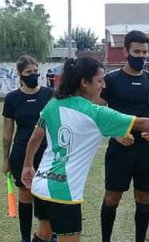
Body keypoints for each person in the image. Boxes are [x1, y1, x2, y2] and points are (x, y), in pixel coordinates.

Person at [20, 56, 149, 242]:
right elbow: (143, 123)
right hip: (64, 191)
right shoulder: (96, 113)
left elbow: (35, 137)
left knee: (43, 235)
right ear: (84, 82)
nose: (103, 86)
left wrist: (28, 165)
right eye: (99, 81)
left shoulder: (53, 103)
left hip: (42, 183)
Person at [97, 30, 149, 242]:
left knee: (143, 198)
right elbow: (97, 115)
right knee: (112, 198)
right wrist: (115, 133)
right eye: (136, 51)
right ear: (125, 51)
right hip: (120, 149)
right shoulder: (111, 80)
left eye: (144, 52)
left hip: (147, 150)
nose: (141, 56)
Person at [2, 55, 54, 242]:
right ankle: (25, 238)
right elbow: (8, 132)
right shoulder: (12, 98)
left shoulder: (49, 94)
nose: (33, 75)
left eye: (35, 71)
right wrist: (5, 159)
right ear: (19, 74)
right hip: (21, 153)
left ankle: (49, 235)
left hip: (47, 152)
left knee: (47, 195)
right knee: (25, 194)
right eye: (28, 72)